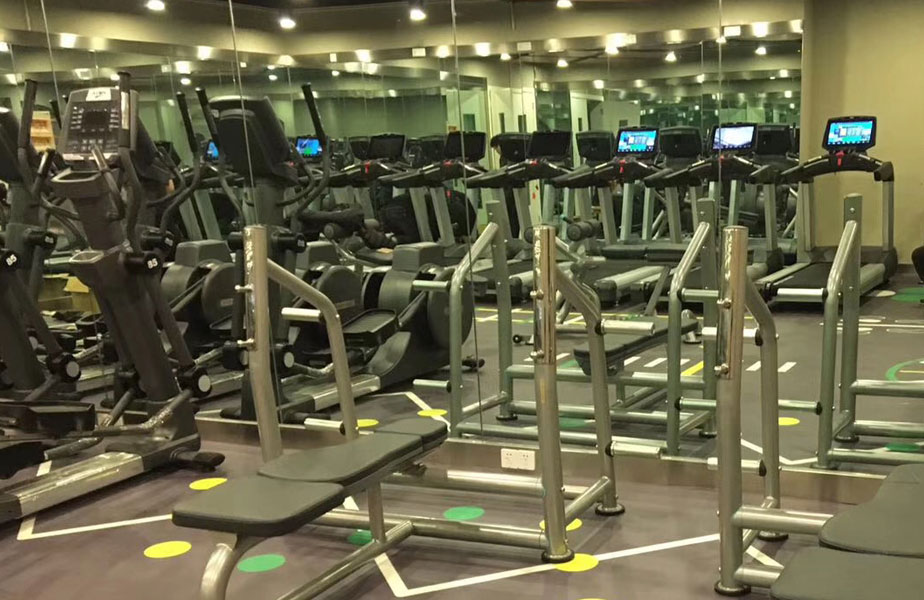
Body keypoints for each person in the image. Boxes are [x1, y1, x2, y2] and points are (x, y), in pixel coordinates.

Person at [490, 134, 520, 238]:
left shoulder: (508, 158)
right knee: (511, 215)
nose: (496, 151)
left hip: (511, 190)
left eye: (496, 148)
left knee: (513, 215)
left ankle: (513, 236)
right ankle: (511, 236)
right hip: (507, 190)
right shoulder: (504, 158)